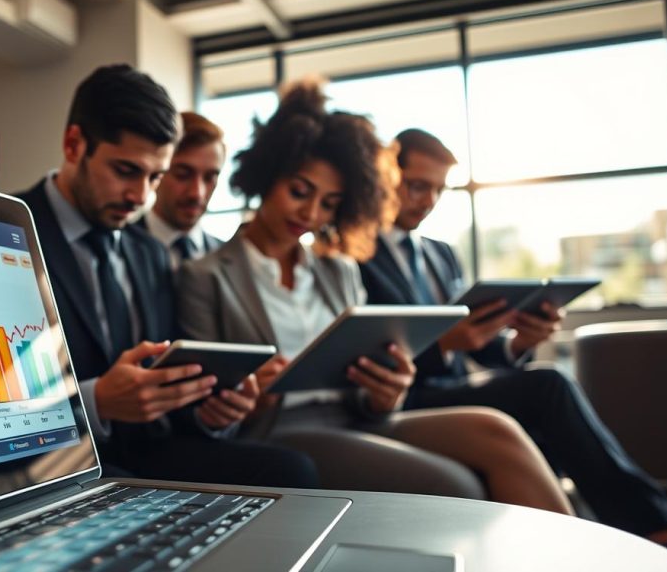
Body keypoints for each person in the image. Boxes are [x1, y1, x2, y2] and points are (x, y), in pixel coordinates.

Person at [178, 79, 572, 514]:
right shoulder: (204, 276)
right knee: (458, 485)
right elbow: (204, 409)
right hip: (280, 429)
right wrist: (253, 395)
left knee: (500, 431)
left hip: (361, 417)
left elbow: (371, 384)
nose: (310, 215)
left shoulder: (340, 270)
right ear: (268, 176)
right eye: (299, 192)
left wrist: (387, 390)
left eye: (329, 203)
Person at [358, 127, 667, 560]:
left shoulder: (440, 253)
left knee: (542, 390)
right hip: (409, 396)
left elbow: (478, 345)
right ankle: (655, 531)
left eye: (439, 190)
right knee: (548, 386)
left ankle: (612, 535)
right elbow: (366, 354)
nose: (427, 201)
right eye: (417, 186)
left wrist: (518, 342)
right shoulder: (355, 256)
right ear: (386, 177)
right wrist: (444, 346)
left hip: (454, 387)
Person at [13, 64, 319, 488]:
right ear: (73, 145)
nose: (140, 196)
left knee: (293, 470)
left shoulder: (149, 253)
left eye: (155, 176)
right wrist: (95, 400)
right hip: (66, 459)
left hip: (150, 452)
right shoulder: (6, 232)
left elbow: (167, 377)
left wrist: (208, 409)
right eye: (125, 171)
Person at [135, 111, 225, 270]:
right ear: (156, 173)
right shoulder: (115, 250)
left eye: (210, 178)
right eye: (182, 175)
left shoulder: (228, 258)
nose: (197, 193)